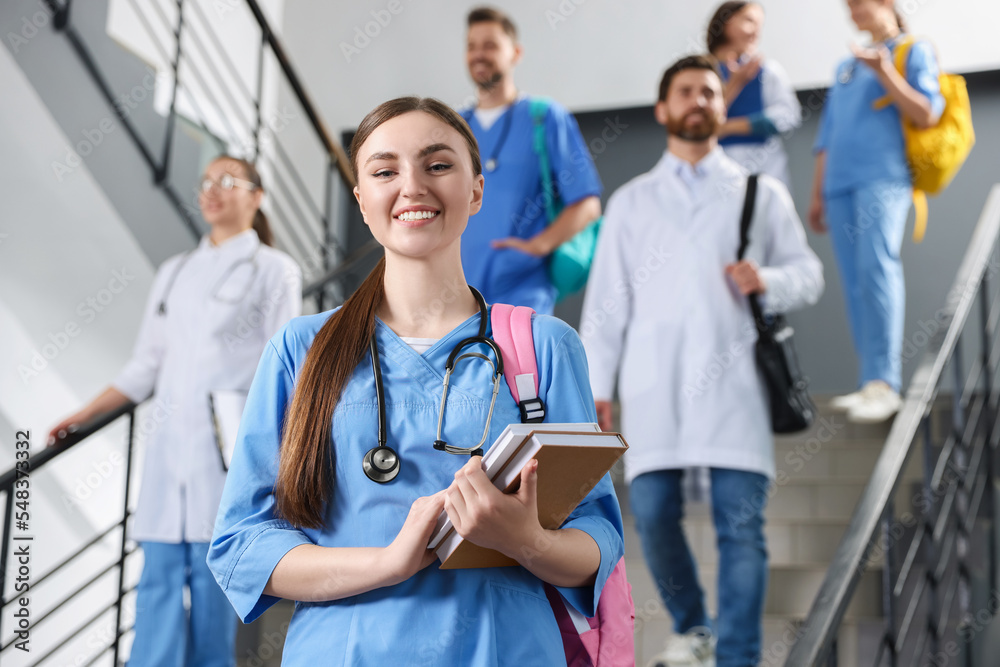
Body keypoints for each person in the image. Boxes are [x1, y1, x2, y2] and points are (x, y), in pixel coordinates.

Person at [206, 97, 624, 665]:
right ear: (362, 200)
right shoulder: (301, 349)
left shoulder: (543, 346)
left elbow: (598, 538)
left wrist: (526, 540)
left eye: (438, 165)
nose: (412, 187)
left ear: (476, 189)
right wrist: (388, 562)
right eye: (384, 171)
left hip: (505, 649)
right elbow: (243, 544)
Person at [581, 56, 823, 667]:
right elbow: (607, 305)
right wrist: (596, 387)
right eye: (685, 91)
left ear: (722, 107)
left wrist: (764, 278)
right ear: (663, 109)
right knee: (655, 515)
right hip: (652, 388)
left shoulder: (758, 194)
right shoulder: (632, 201)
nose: (699, 100)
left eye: (710, 92)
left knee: (740, 529)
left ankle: (739, 656)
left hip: (735, 387)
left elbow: (809, 273)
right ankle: (694, 629)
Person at [48, 155, 302, 667]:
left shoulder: (275, 269)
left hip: (226, 454)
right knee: (157, 593)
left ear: (255, 196)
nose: (212, 190)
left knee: (214, 607)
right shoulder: (175, 272)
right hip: (168, 456)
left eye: (228, 181)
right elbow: (146, 364)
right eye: (206, 180)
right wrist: (84, 413)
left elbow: (287, 372)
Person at [809, 0, 944, 423]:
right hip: (839, 186)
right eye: (848, 7)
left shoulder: (912, 50)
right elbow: (827, 135)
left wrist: (884, 70)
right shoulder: (845, 67)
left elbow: (927, 112)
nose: (853, 12)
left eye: (859, 3)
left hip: (883, 178)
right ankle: (869, 381)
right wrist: (817, 193)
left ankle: (885, 384)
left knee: (876, 269)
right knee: (854, 282)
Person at [459, 6, 602, 314]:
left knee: (520, 364)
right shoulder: (454, 126)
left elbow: (588, 205)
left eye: (490, 45)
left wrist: (538, 246)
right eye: (472, 46)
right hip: (457, 299)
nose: (478, 54)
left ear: (516, 53)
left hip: (522, 296)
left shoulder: (544, 117)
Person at [708, 1, 802, 188]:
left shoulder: (767, 71)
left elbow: (789, 115)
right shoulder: (703, 72)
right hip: (717, 169)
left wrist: (728, 127)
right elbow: (703, 125)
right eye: (749, 21)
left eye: (760, 25)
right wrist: (736, 83)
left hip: (765, 167)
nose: (756, 32)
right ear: (725, 21)